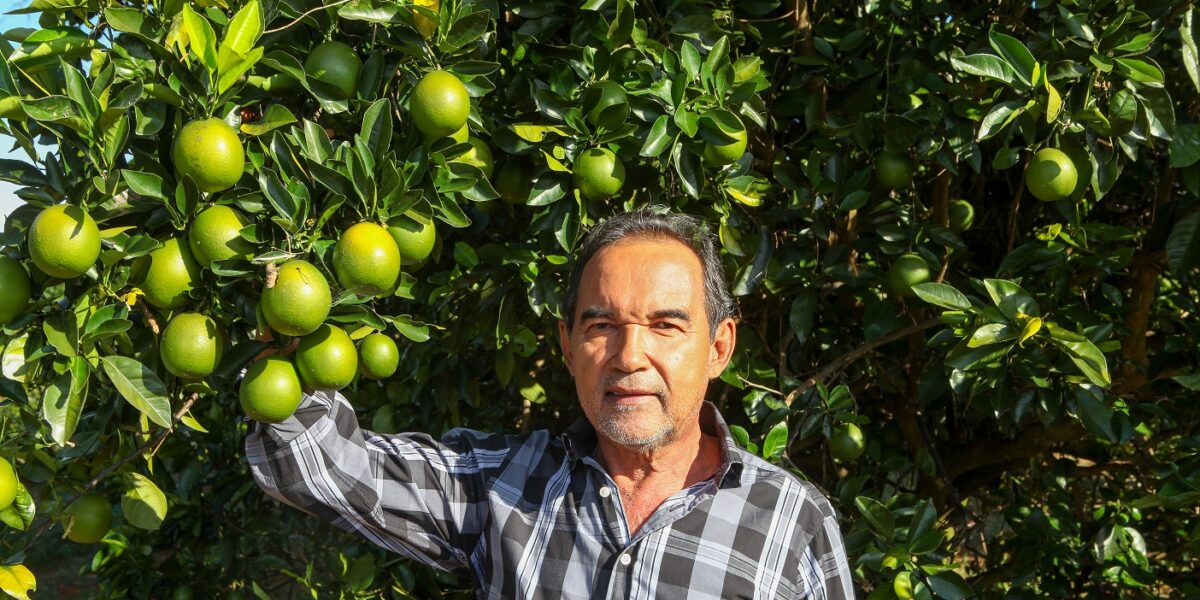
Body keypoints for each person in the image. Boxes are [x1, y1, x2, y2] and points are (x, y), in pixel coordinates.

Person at [245, 208, 854, 599]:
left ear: (719, 347)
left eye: (665, 327)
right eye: (601, 326)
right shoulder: (508, 487)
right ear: (567, 346)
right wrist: (286, 321)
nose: (629, 355)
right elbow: (323, 466)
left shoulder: (790, 524)